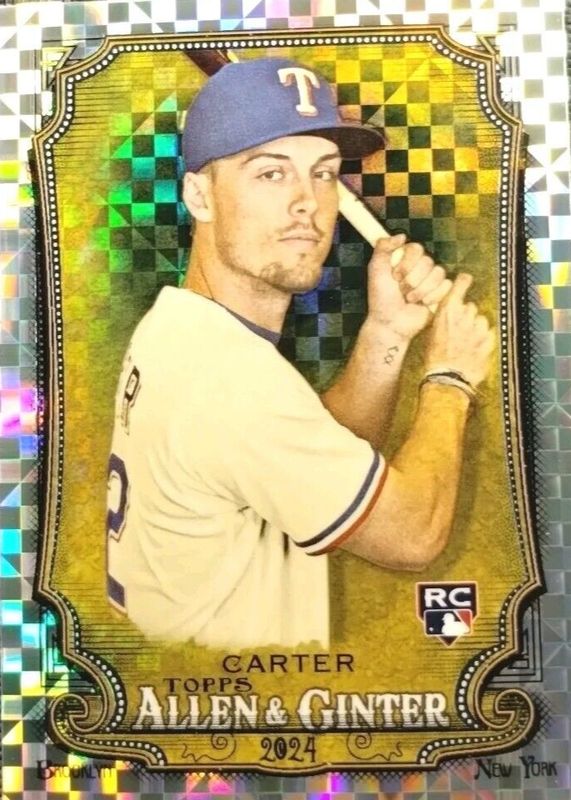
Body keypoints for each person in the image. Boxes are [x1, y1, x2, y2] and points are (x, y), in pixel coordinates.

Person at [106, 58, 495, 648]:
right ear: (199, 195)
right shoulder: (231, 382)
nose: (307, 203)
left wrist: (386, 332)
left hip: (195, 682)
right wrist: (450, 378)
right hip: (238, 697)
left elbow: (313, 455)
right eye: (271, 173)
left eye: (323, 173)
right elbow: (412, 534)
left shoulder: (180, 328)